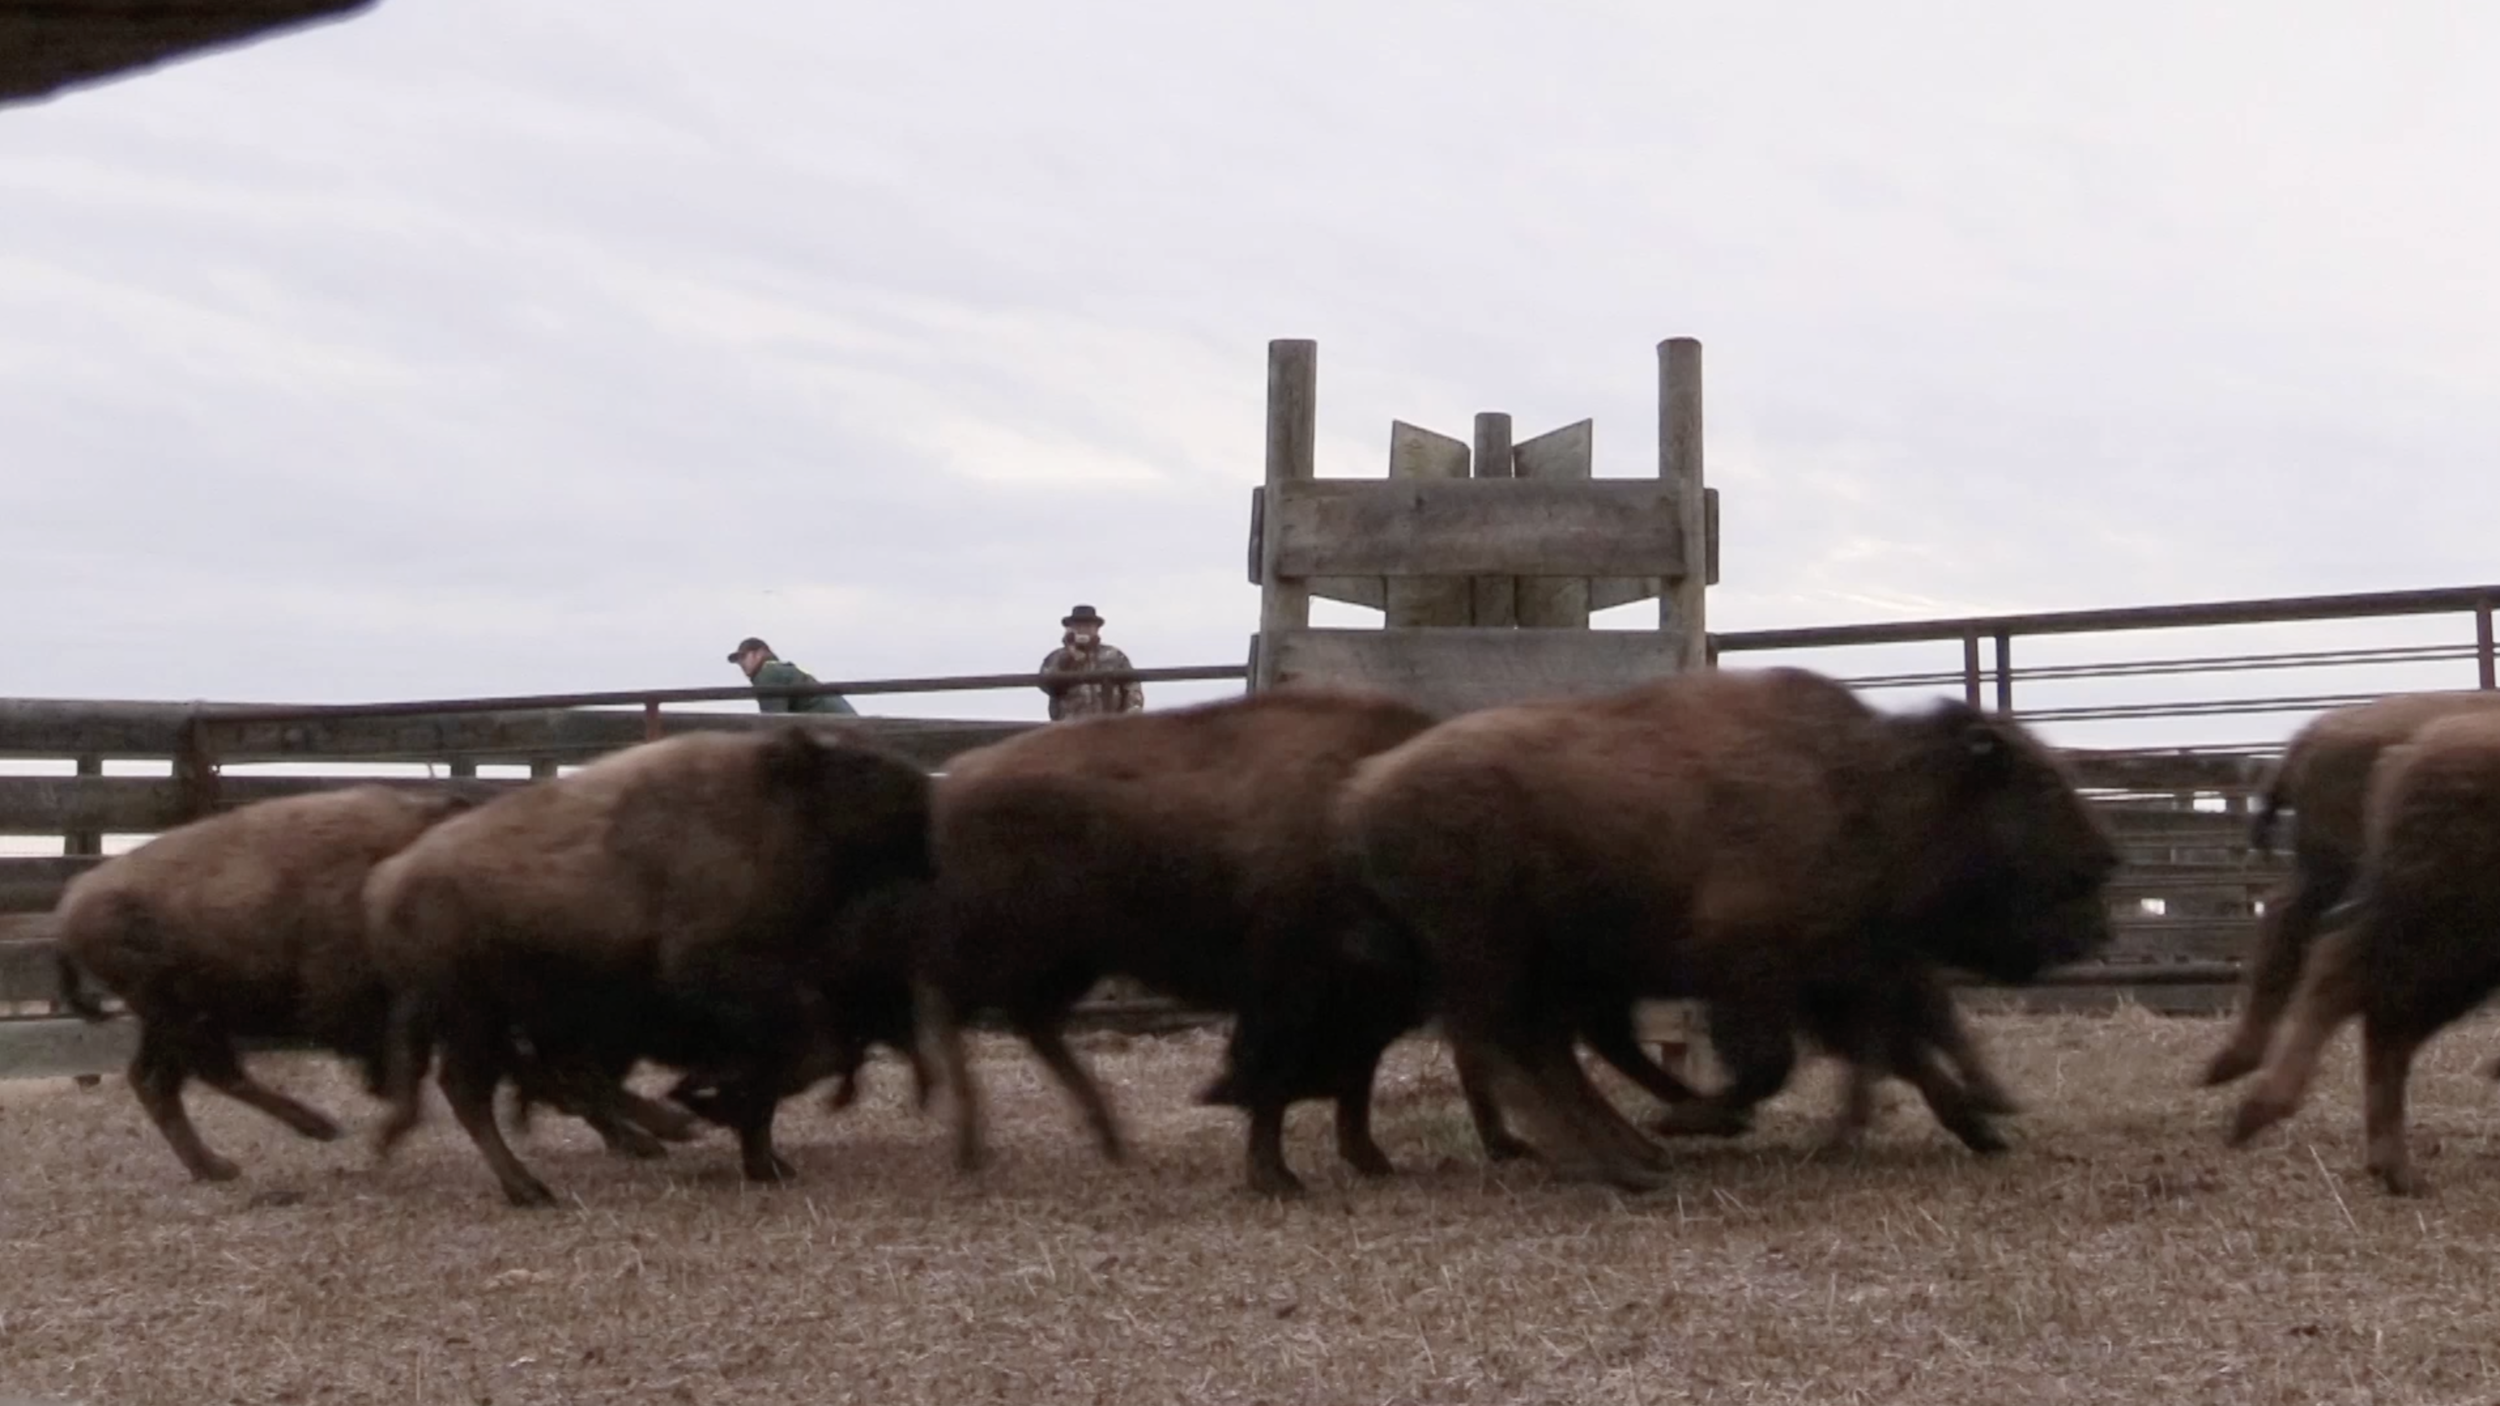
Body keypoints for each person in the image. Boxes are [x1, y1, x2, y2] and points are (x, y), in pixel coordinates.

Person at [1038, 604, 1145, 721]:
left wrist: (1131, 717)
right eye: (1078, 626)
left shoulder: (1114, 655)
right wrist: (1069, 656)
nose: (1083, 630)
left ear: (1096, 629)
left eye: (1088, 626)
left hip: (1109, 726)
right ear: (1070, 629)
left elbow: (1132, 686)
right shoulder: (1056, 657)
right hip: (1070, 727)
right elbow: (1046, 684)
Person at [725, 636, 858, 715]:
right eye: (738, 660)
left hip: (834, 731)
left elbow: (773, 722)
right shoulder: (779, 670)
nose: (741, 663)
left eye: (744, 656)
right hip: (844, 725)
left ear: (760, 653)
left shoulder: (767, 673)